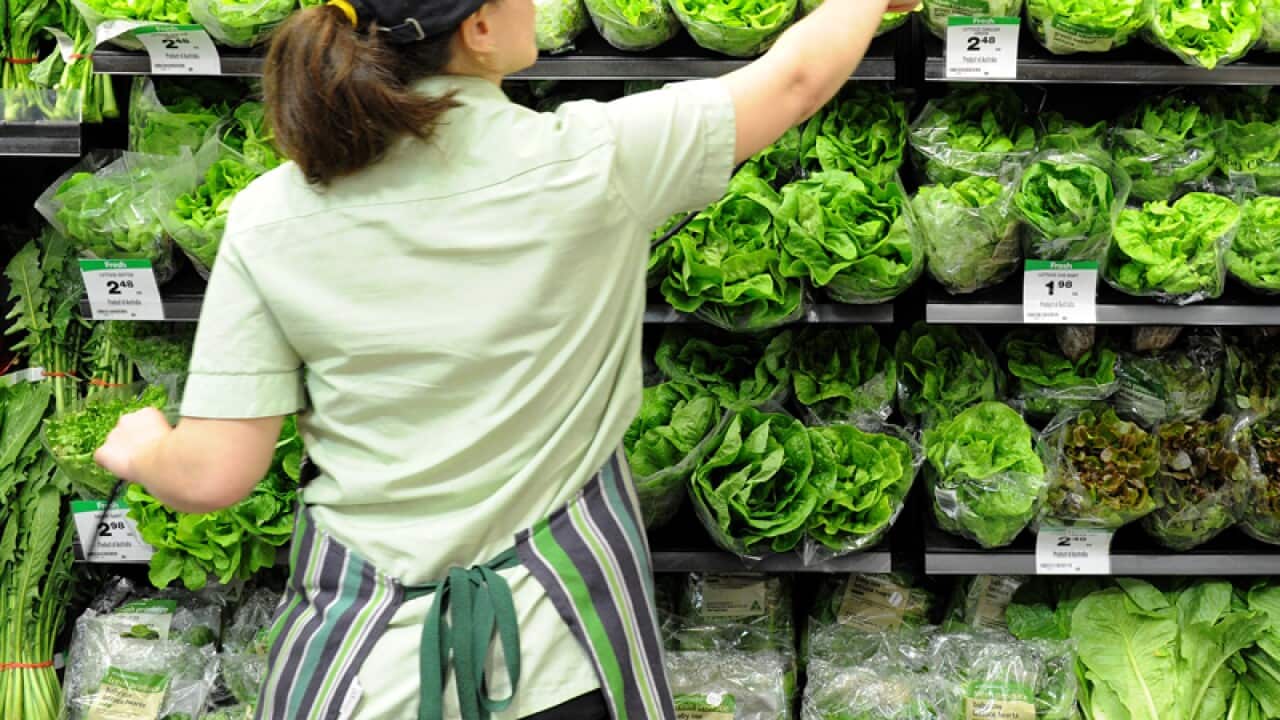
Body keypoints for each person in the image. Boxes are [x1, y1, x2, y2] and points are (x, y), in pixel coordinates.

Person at [92, 0, 918, 715]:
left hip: (362, 665)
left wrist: (141, 448)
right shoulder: (596, 160)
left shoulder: (267, 212)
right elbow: (797, 78)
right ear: (480, 29)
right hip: (562, 654)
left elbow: (212, 478)